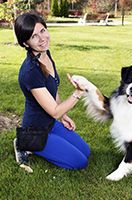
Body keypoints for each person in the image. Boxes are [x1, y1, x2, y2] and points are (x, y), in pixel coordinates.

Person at [13, 12, 90, 171]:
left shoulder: (45, 53)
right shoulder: (30, 72)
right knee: (80, 162)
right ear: (26, 43)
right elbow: (54, 111)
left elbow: (52, 91)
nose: (42, 38)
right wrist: (77, 93)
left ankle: (34, 142)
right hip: (36, 131)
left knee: (86, 151)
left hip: (51, 124)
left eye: (42, 31)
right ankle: (25, 142)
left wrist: (63, 117)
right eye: (34, 36)